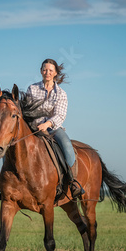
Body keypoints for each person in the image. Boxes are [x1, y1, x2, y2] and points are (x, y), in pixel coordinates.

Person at [26, 58, 85, 199]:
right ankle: (5, 183)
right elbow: (26, 109)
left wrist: (46, 125)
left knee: (67, 145)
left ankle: (72, 182)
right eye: (45, 69)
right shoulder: (32, 89)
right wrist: (34, 124)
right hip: (32, 127)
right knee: (11, 143)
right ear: (41, 71)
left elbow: (60, 115)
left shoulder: (61, 94)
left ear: (55, 73)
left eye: (50, 70)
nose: (47, 72)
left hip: (52, 128)